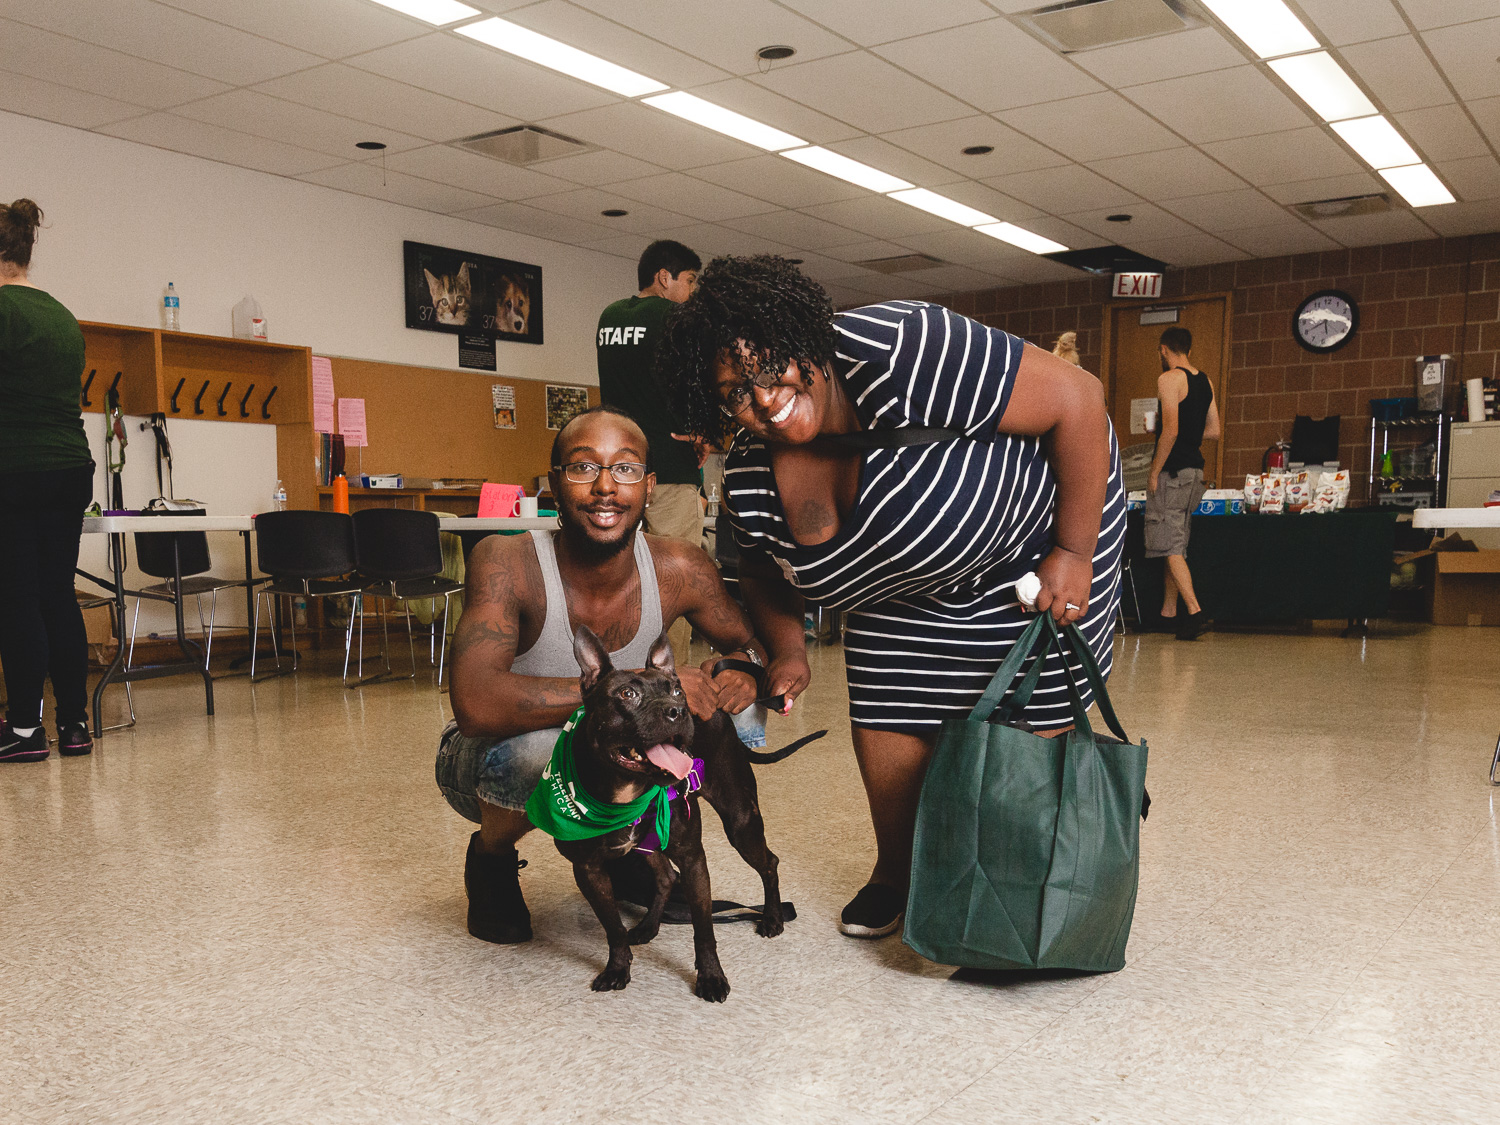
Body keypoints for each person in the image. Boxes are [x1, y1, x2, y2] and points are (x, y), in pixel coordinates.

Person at [658, 256, 1124, 940]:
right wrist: (788, 649)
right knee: (890, 700)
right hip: (896, 575)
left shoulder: (901, 346)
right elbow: (757, 567)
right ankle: (899, 873)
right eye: (734, 393)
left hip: (1035, 541)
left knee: (1024, 715)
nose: (761, 398)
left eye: (768, 366)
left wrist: (1074, 553)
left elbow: (1080, 398)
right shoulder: (754, 477)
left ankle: (1031, 870)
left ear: (802, 339)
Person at [435, 405, 768, 944]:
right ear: (554, 484)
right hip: (490, 756)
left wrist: (744, 672)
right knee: (543, 751)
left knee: (733, 719)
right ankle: (491, 859)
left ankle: (630, 846)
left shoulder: (680, 566)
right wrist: (630, 694)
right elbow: (475, 705)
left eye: (627, 469)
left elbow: (749, 646)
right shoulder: (507, 560)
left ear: (650, 486)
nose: (606, 487)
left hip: (611, 751)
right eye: (584, 468)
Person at [0, 199, 95, 763]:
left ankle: (25, 732)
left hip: (15, 469)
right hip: (69, 469)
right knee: (58, 594)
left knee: (18, 599)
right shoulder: (61, 314)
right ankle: (76, 725)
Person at [596, 240, 705, 661]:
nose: (692, 292)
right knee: (676, 576)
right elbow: (695, 382)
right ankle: (667, 674)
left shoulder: (609, 317)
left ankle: (613, 666)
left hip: (621, 465)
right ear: (665, 277)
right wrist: (703, 431)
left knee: (618, 573)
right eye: (690, 280)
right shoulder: (675, 317)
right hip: (671, 465)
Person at [1146, 326, 1219, 641]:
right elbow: (1214, 430)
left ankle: (1195, 612)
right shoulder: (1205, 381)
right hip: (1195, 474)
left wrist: (1153, 471)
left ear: (1164, 350)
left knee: (1170, 544)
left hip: (1172, 472)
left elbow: (1171, 430)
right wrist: (1191, 434)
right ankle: (1168, 614)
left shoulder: (1169, 379)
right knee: (1174, 543)